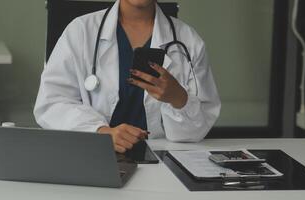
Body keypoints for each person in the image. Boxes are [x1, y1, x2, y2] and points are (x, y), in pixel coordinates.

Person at [34, 0, 220, 153]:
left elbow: (197, 130)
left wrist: (179, 98)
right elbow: (51, 104)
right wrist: (101, 131)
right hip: (92, 157)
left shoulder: (188, 41)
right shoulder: (80, 31)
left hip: (162, 164)